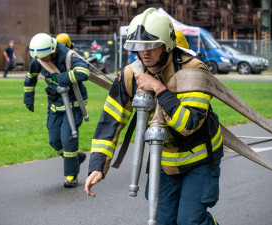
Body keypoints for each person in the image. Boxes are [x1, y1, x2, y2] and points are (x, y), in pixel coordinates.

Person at [85, 8, 223, 225]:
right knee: (163, 221)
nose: (144, 53)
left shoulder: (195, 71)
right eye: (139, 46)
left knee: (189, 222)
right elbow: (110, 121)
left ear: (167, 44)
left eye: (151, 45)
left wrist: (159, 89)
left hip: (200, 160)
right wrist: (97, 165)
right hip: (165, 161)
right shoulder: (131, 75)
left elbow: (188, 124)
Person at [24, 33, 89, 188]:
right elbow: (31, 76)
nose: (42, 61)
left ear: (53, 50)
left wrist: (59, 78)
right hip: (54, 103)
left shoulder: (67, 56)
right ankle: (74, 158)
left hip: (72, 103)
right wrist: (28, 98)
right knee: (54, 140)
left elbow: (83, 72)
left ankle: (71, 175)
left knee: (68, 139)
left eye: (46, 58)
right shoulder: (40, 56)